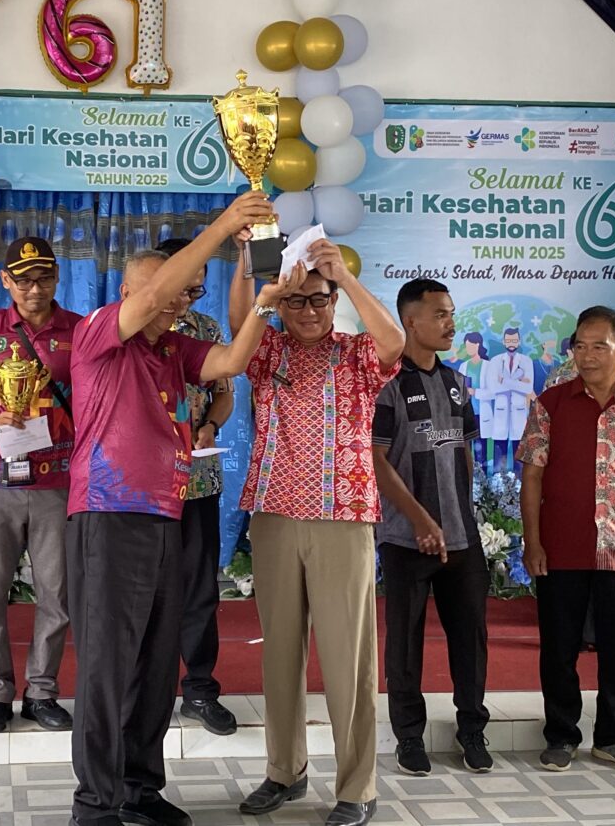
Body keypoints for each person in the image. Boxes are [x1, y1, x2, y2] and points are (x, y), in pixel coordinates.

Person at [65, 190, 300, 826]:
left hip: (166, 515)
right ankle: (96, 805)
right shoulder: (97, 334)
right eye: (171, 292)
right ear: (132, 291)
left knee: (156, 661)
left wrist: (262, 306)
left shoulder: (174, 349)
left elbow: (230, 361)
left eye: (189, 296)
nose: (179, 304)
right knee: (109, 668)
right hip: (108, 517)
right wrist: (224, 224)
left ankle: (141, 789)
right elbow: (150, 296)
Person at [231, 239, 404, 826]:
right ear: (281, 306)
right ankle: (285, 770)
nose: (309, 311)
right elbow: (238, 326)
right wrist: (254, 277)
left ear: (334, 304)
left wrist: (343, 277)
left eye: (319, 300)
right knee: (280, 652)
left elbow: (395, 342)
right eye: (298, 301)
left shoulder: (357, 354)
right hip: (274, 514)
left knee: (347, 657)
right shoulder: (268, 350)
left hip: (343, 515)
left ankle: (357, 787)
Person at [518, 305, 615, 775]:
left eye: (599, 346)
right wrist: (532, 542)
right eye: (579, 346)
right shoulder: (550, 403)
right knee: (559, 646)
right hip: (561, 546)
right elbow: (531, 477)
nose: (587, 356)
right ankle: (561, 735)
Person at [0, 237, 82, 735]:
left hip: (58, 480)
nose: (34, 287)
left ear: (57, 278)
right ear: (5, 280)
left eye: (44, 276)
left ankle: (42, 690)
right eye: (22, 278)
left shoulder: (80, 331)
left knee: (58, 593)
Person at [374, 279, 491, 777]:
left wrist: (459, 514)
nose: (451, 323)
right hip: (406, 539)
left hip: (461, 538)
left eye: (452, 313)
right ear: (411, 322)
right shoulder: (386, 385)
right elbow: (377, 461)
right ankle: (409, 737)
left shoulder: (458, 382)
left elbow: (463, 450)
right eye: (440, 314)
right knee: (405, 642)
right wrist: (421, 519)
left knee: (471, 638)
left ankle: (472, 731)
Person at [156, 237, 238, 737]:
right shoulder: (129, 327)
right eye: (188, 280)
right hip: (140, 488)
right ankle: (148, 688)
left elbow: (223, 395)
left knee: (200, 589)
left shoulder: (207, 329)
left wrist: (210, 425)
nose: (194, 292)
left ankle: (201, 689)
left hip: (199, 481)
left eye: (201, 283)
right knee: (147, 591)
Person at [482, 326, 533, 471]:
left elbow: (528, 389)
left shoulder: (526, 361)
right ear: (504, 341)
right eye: (509, 340)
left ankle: (519, 486)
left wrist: (504, 380)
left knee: (519, 458)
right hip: (500, 414)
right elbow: (493, 388)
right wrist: (518, 380)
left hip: (519, 413)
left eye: (514, 340)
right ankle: (499, 487)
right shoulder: (495, 361)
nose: (511, 343)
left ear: (519, 341)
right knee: (500, 455)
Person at [454, 331, 490, 469]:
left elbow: (493, 391)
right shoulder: (464, 366)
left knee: (482, 447)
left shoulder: (488, 366)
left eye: (470, 346)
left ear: (478, 345)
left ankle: (484, 476)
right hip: (468, 412)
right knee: (467, 447)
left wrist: (476, 392)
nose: (468, 349)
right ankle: (471, 477)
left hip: (483, 412)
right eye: (466, 346)